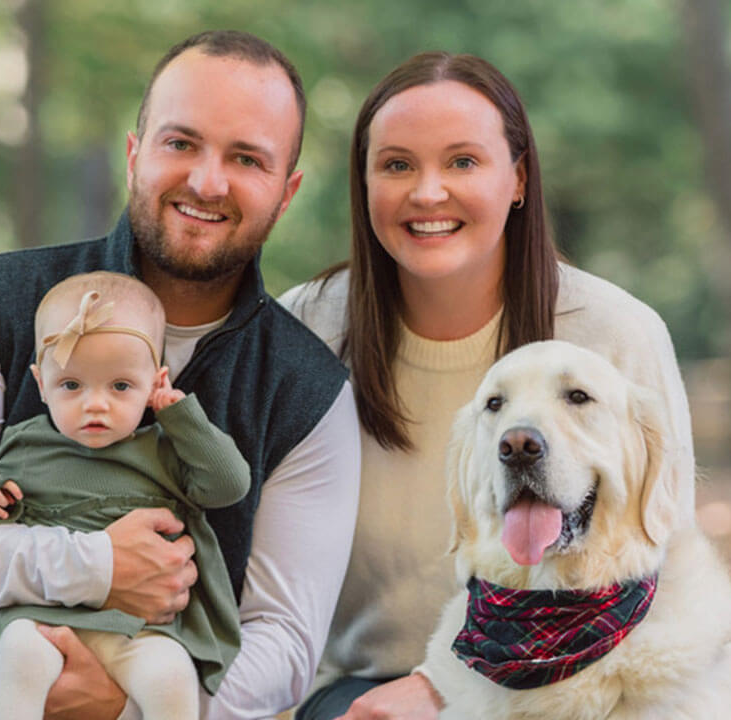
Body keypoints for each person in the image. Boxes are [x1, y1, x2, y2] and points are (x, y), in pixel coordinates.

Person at [0, 30, 361, 720]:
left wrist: (122, 705)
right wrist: (94, 567)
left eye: (246, 158)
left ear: (286, 192)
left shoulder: (308, 389)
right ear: (134, 155)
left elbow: (287, 643)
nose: (207, 181)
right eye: (180, 143)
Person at [279, 52, 697, 719]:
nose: (427, 192)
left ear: (519, 178)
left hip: (576, 687)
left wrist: (446, 685)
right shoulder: (304, 329)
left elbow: (667, 565)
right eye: (396, 165)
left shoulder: (616, 334)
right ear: (363, 185)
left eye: (462, 162)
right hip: (362, 697)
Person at [0, 271, 251, 720]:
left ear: (155, 381)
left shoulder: (164, 452)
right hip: (44, 620)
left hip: (141, 630)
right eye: (71, 385)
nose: (95, 404)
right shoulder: (26, 444)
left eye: (120, 387)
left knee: (172, 676)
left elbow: (230, 485)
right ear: (40, 383)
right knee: (16, 659)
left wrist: (180, 416)